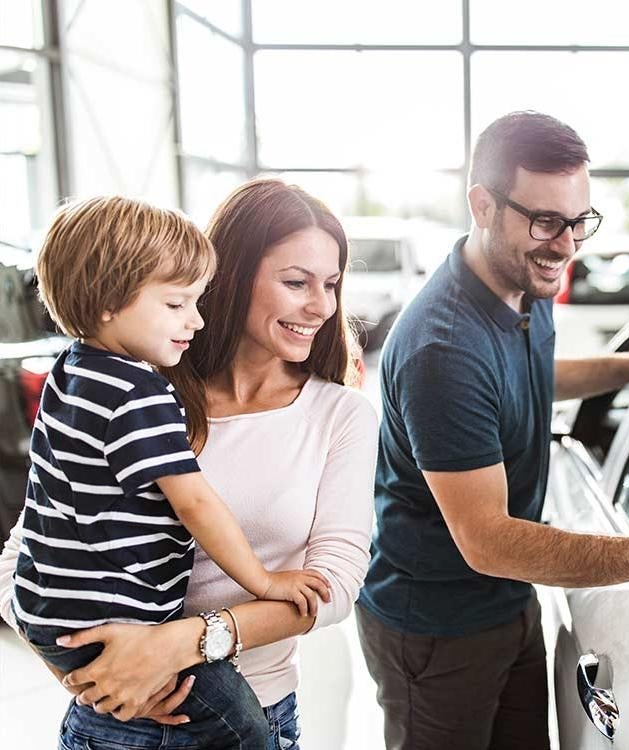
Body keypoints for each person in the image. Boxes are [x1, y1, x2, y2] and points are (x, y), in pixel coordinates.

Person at [356, 111, 629, 750]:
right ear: (482, 204)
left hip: (507, 604)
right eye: (545, 222)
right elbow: (488, 541)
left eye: (579, 221)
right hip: (437, 630)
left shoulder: (521, 284)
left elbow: (528, 376)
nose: (565, 245)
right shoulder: (442, 348)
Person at [0, 178, 379, 749]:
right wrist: (79, 671)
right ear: (227, 278)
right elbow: (27, 547)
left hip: (253, 703)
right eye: (296, 282)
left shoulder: (339, 414)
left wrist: (182, 644)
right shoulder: (142, 390)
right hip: (117, 716)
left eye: (331, 284)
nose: (321, 306)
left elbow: (334, 588)